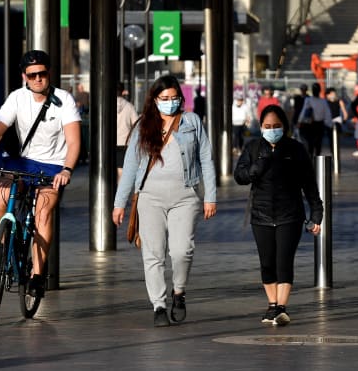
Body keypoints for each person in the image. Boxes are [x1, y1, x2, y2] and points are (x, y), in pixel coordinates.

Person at [0, 50, 81, 297]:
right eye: (32, 75)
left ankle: (38, 275)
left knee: (42, 212)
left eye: (42, 74)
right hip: (19, 163)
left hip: (52, 166)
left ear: (49, 73)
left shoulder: (64, 100)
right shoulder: (17, 98)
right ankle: (4, 247)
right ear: (24, 77)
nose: (38, 79)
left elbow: (74, 142)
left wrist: (67, 169)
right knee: (0, 200)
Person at [111, 74, 217, 327]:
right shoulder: (143, 125)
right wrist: (119, 203)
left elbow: (206, 159)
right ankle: (158, 305)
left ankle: (178, 292)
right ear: (154, 99)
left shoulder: (191, 121)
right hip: (149, 196)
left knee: (182, 251)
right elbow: (130, 164)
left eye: (174, 98)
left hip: (186, 195)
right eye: (164, 98)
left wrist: (210, 196)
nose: (170, 102)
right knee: (153, 253)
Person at [234, 104, 323, 326]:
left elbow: (309, 185)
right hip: (261, 215)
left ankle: (282, 308)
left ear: (284, 126)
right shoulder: (253, 148)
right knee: (267, 263)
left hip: (289, 215)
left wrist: (316, 214)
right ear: (261, 127)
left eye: (276, 126)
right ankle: (272, 305)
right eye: (267, 126)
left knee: (284, 262)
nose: (272, 129)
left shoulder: (296, 149)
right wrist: (256, 168)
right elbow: (240, 176)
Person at [298, 82, 333, 157]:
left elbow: (304, 111)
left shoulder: (308, 100)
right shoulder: (323, 101)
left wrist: (299, 121)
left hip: (310, 125)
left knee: (310, 144)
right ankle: (316, 161)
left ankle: (311, 161)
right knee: (318, 144)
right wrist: (330, 124)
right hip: (319, 125)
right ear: (319, 91)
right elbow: (327, 114)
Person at [116, 81, 139, 181]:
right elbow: (136, 124)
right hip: (125, 143)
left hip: (110, 143)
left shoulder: (105, 106)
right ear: (123, 91)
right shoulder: (129, 106)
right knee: (121, 170)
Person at [325, 87, 348, 152]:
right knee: (331, 140)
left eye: (334, 94)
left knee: (336, 140)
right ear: (327, 95)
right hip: (329, 123)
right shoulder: (325, 102)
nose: (333, 95)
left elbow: (344, 112)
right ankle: (333, 152)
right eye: (331, 94)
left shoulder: (339, 101)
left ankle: (336, 152)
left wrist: (344, 119)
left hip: (337, 122)